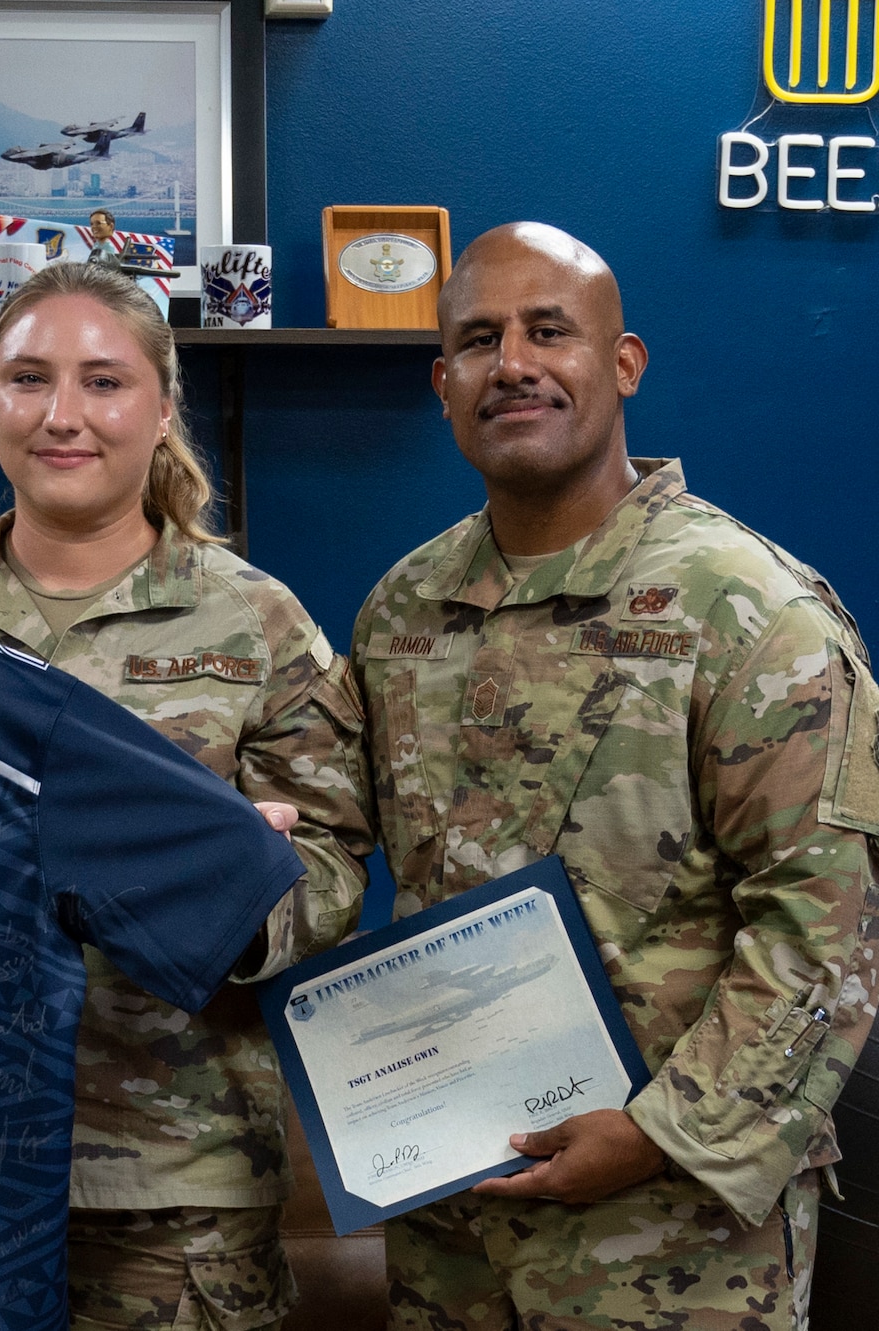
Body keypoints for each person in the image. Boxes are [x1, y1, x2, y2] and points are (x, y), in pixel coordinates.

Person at [354, 221, 879, 1331]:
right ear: (439, 379)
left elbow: (824, 934)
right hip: (450, 1217)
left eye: (549, 331)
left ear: (622, 362)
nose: (512, 364)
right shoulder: (401, 610)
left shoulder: (745, 609)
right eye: (478, 339)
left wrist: (654, 1132)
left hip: (672, 1237)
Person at [0, 261, 374, 1331]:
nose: (61, 416)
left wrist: (232, 883)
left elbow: (331, 876)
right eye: (28, 379)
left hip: (175, 1176)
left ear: (161, 407)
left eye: (103, 382)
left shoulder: (255, 623)